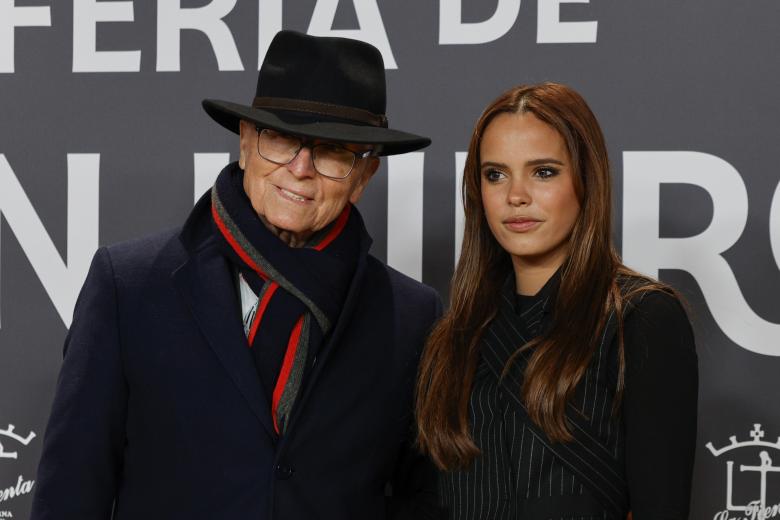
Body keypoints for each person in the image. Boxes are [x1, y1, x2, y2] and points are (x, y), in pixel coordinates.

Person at [31, 30, 441, 520]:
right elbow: (71, 493)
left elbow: (424, 502)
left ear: (362, 178)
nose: (301, 167)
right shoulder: (130, 286)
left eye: (332, 152)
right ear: (246, 144)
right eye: (283, 138)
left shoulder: (412, 316)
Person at [415, 83, 698, 519]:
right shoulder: (452, 337)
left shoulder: (640, 318)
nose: (516, 196)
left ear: (587, 179)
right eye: (496, 174)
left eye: (543, 172)